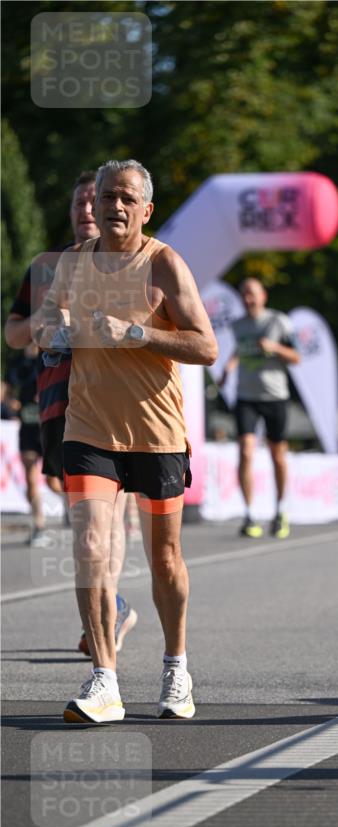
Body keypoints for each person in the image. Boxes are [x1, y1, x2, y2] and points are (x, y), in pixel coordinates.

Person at [36, 158, 218, 723]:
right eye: (104, 196)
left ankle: (176, 665)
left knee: (164, 560)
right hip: (89, 429)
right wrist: (57, 333)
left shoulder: (163, 265)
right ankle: (105, 680)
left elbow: (206, 346)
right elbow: (42, 326)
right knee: (90, 547)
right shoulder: (71, 263)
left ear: (146, 209)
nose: (110, 206)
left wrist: (136, 334)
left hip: (156, 433)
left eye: (123, 198)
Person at [4, 172, 137, 653]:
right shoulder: (45, 267)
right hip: (59, 401)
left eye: (93, 200)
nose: (87, 209)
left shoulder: (132, 262)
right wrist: (40, 322)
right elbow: (13, 332)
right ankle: (108, 604)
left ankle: (112, 604)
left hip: (113, 402)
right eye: (80, 201)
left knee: (111, 512)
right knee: (82, 517)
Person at [221, 277, 300, 539]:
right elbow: (239, 351)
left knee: (278, 454)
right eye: (244, 294)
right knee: (245, 451)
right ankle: (250, 513)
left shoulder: (278, 321)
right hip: (246, 396)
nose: (248, 299)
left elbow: (296, 357)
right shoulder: (238, 325)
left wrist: (274, 347)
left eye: (252, 294)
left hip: (275, 396)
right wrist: (228, 368)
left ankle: (280, 510)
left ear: (264, 296)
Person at [6, 344, 49, 545]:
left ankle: (71, 511)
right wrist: (10, 401)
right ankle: (39, 525)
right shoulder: (15, 363)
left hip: (50, 426)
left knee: (54, 482)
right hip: (28, 426)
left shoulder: (50, 354)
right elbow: (5, 389)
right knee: (31, 478)